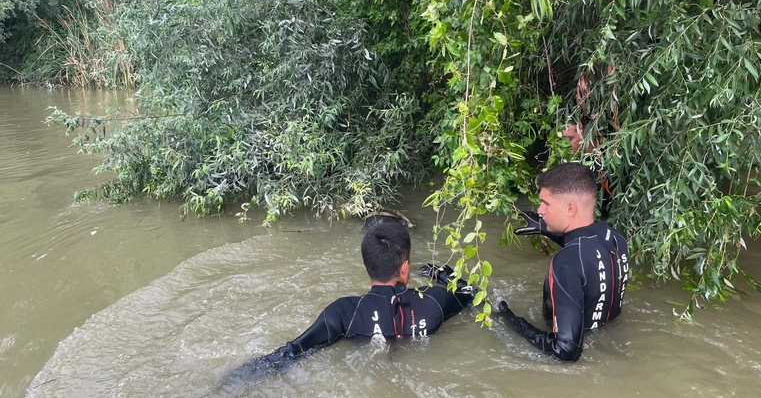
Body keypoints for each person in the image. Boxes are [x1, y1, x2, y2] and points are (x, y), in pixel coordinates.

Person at [224, 222, 473, 383]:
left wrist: (234, 381)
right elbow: (473, 294)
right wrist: (444, 275)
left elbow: (291, 352)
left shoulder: (344, 312)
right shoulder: (436, 300)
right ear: (406, 268)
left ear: (366, 266)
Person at [497, 163, 630, 362]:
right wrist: (547, 229)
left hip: (581, 358)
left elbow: (566, 351)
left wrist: (514, 323)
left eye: (545, 203)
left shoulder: (565, 263)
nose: (540, 210)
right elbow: (588, 253)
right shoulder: (614, 236)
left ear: (570, 208)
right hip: (609, 338)